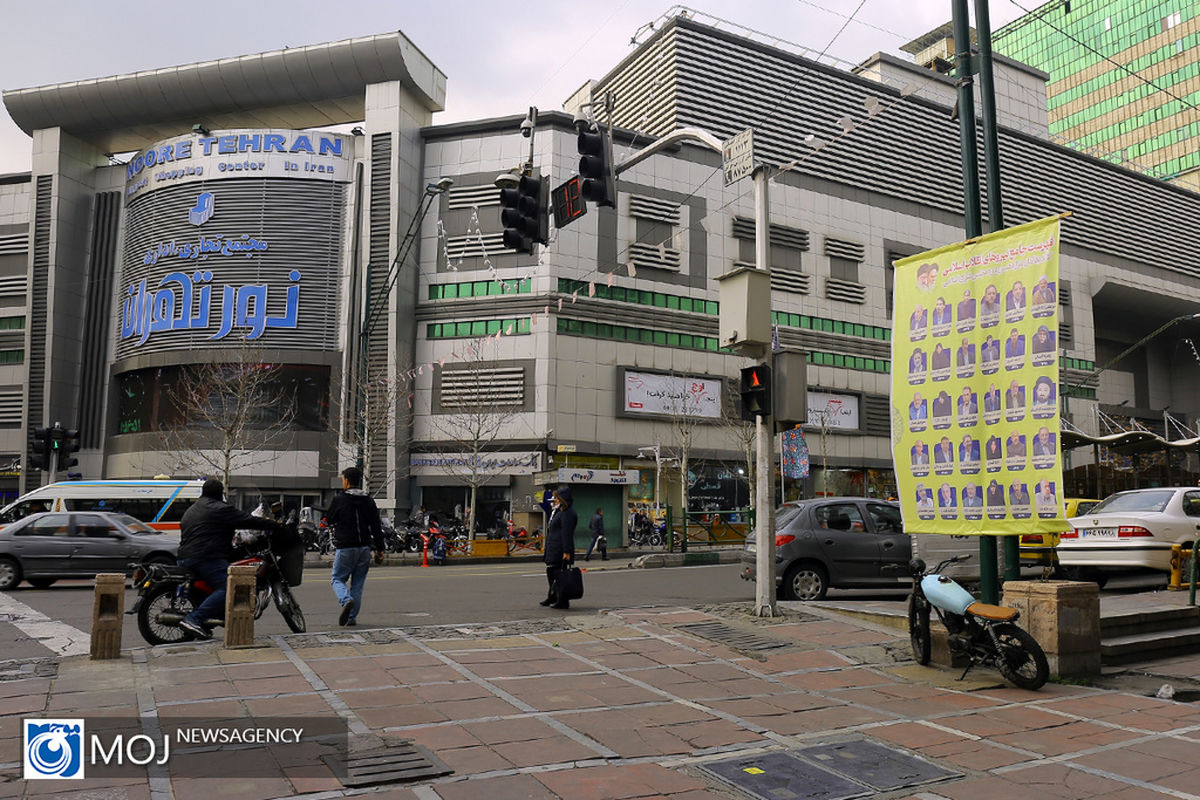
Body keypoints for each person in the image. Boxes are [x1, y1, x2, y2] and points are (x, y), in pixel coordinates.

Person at [177, 478, 284, 640]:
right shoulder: (220, 508)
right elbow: (248, 520)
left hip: (184, 557)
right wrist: (274, 525)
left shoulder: (192, 509)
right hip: (205, 557)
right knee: (230, 586)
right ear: (220, 493)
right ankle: (194, 619)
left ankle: (206, 621)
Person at [326, 466, 384, 627]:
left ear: (346, 481)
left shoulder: (340, 499)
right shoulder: (369, 500)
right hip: (365, 548)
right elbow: (376, 527)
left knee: (337, 579)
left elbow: (329, 519)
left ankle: (346, 600)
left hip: (345, 547)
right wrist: (380, 549)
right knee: (357, 584)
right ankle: (351, 617)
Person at [541, 486, 577, 609]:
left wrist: (566, 551)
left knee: (559, 574)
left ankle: (562, 599)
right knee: (551, 572)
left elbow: (566, 533)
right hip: (553, 547)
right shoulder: (558, 511)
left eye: (557, 497)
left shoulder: (567, 513)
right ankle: (552, 596)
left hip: (560, 548)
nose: (554, 500)